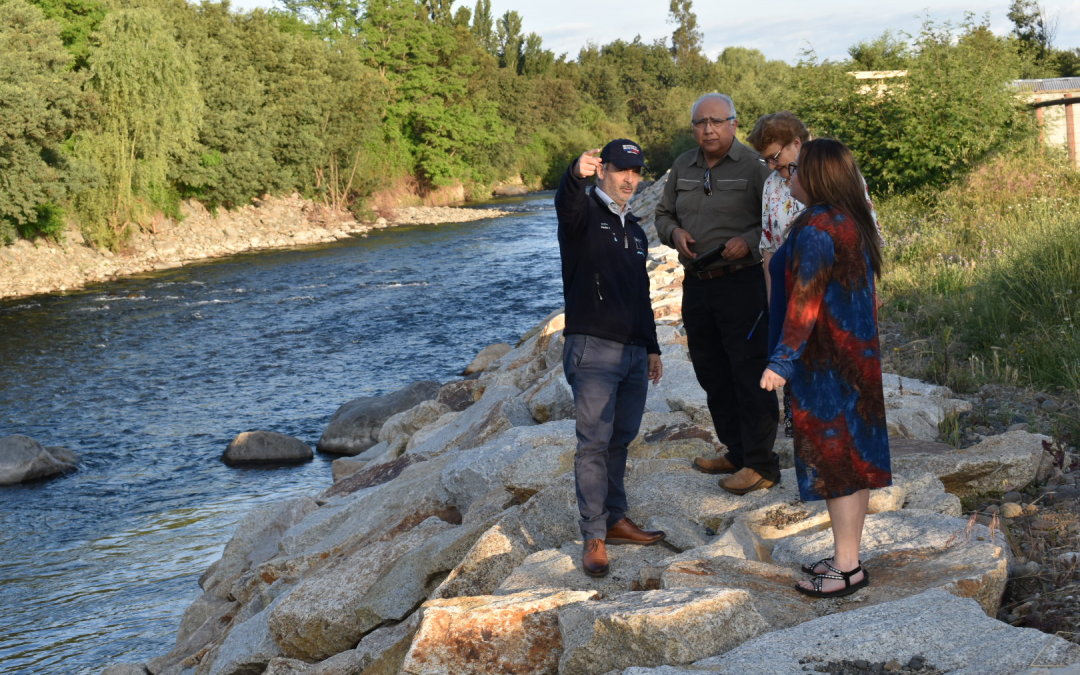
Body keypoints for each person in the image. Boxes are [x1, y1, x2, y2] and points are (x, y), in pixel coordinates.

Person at [759, 138, 891, 598]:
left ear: (815, 176)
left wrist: (782, 361)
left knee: (836, 463)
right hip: (858, 359)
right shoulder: (848, 220)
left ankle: (847, 566)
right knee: (857, 461)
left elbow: (805, 300)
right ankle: (847, 557)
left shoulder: (816, 227)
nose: (787, 176)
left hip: (823, 364)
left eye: (795, 170)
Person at [655, 93, 781, 495]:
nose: (707, 129)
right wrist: (674, 233)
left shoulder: (755, 167)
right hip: (697, 284)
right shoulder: (681, 166)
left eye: (715, 121)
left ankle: (762, 465)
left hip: (741, 283)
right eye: (699, 123)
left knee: (748, 372)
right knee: (711, 372)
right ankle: (738, 451)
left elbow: (774, 219)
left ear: (733, 123)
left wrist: (747, 240)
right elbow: (662, 215)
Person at [555, 139, 666, 578]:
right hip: (593, 347)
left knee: (621, 438)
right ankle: (594, 536)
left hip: (634, 350)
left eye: (637, 172)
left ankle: (616, 519)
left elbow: (641, 293)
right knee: (594, 443)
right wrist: (571, 174)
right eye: (622, 170)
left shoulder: (635, 229)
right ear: (602, 170)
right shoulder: (582, 214)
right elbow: (565, 202)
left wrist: (652, 346)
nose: (630, 180)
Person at [746, 111, 882, 440]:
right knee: (803, 402)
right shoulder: (771, 187)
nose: (772, 167)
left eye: (776, 158)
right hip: (792, 302)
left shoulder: (837, 175)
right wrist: (774, 304)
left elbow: (864, 238)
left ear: (797, 143)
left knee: (838, 406)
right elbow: (768, 246)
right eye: (764, 160)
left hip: (832, 309)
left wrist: (868, 302)